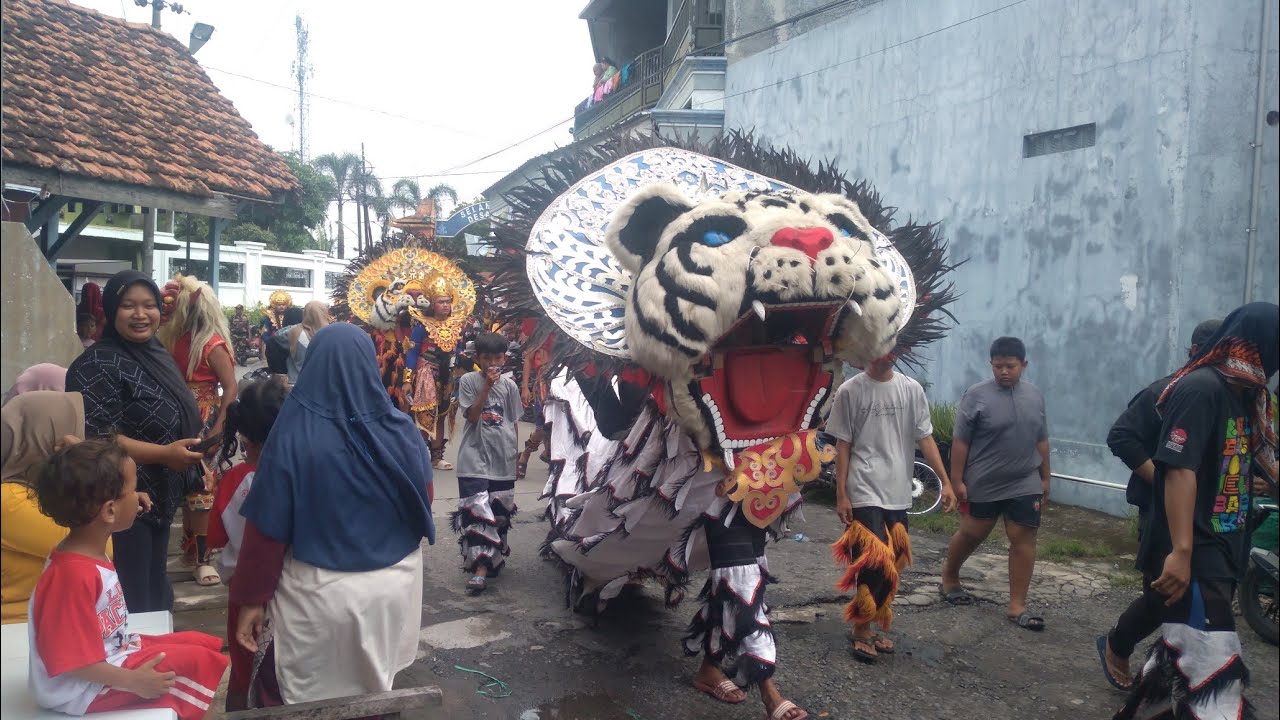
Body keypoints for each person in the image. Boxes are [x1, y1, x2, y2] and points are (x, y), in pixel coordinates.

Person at [230, 323, 434, 706]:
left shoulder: (292, 435)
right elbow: (424, 499)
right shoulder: (402, 429)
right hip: (392, 588)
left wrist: (251, 599)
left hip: (318, 593)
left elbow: (267, 532)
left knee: (299, 695)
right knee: (372, 685)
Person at [1114, 302, 1277, 719]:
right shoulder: (1201, 388)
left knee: (1180, 658)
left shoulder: (1247, 395)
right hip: (1195, 547)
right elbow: (1180, 470)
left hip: (1222, 544)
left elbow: (1235, 459)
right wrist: (1182, 551)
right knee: (1213, 670)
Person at [27, 438, 226, 718]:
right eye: (133, 490)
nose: (139, 496)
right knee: (194, 660)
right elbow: (69, 660)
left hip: (111, 654)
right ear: (109, 511)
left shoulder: (87, 548)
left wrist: (131, 500)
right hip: (80, 690)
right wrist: (134, 682)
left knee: (197, 641)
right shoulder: (70, 578)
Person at [66, 270, 205, 612]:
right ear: (112, 310)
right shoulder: (96, 363)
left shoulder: (155, 351)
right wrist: (163, 454)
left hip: (160, 495)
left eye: (149, 306)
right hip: (117, 502)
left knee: (156, 590)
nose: (141, 315)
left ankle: (152, 653)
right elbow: (98, 437)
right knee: (133, 598)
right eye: (129, 306)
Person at [1097, 318, 1221, 689]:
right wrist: (1163, 479)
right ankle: (1118, 643)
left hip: (1212, 511)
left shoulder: (1229, 395)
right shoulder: (1169, 391)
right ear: (1195, 352)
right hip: (1163, 510)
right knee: (1164, 589)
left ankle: (1178, 670)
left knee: (1206, 592)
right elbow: (1121, 435)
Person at [827, 353, 956, 663]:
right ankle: (861, 628)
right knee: (872, 559)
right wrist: (842, 493)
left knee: (893, 561)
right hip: (864, 487)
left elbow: (925, 438)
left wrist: (946, 481)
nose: (884, 355)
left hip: (897, 489)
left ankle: (872, 623)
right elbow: (842, 445)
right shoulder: (850, 391)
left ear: (897, 351)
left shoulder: (911, 389)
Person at [939, 336, 1051, 631]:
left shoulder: (1035, 396)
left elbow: (1041, 439)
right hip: (984, 479)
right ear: (991, 364)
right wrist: (957, 480)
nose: (1003, 371)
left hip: (1024, 479)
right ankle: (950, 577)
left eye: (1010, 366)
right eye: (998, 366)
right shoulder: (976, 395)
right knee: (973, 532)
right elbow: (960, 442)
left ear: (1023, 365)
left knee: (1023, 537)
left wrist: (1045, 477)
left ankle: (1017, 607)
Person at [207, 378, 288, 711]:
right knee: (280, 671)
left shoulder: (235, 479)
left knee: (244, 670)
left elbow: (215, 538)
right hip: (288, 590)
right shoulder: (298, 472)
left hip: (243, 593)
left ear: (245, 437)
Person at [158, 275, 238, 587]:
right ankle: (190, 554)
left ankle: (202, 558)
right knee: (184, 488)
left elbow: (230, 387)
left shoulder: (211, 344)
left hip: (204, 419)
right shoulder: (167, 338)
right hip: (173, 417)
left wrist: (218, 428)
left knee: (201, 489)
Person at [1, 391, 107, 624]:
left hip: (48, 621)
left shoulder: (39, 491)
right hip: (18, 632)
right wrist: (88, 465)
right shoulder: (9, 501)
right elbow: (101, 546)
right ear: (49, 438)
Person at [453, 331, 520, 593]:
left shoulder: (511, 386)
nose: (493, 362)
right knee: (478, 510)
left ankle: (493, 558)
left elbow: (513, 422)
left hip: (502, 456)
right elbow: (471, 416)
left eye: (498, 357)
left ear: (505, 358)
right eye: (487, 357)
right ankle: (480, 567)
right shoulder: (468, 380)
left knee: (499, 513)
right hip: (474, 455)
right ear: (477, 358)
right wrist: (487, 387)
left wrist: (515, 456)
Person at [280, 301, 330, 385]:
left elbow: (276, 336)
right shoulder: (331, 333)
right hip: (321, 382)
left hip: (296, 381)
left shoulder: (294, 331)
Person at [258, 290, 293, 363]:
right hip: (274, 346)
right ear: (274, 305)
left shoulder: (292, 315)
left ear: (287, 305)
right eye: (279, 304)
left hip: (289, 347)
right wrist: (271, 343)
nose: (281, 307)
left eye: (283, 304)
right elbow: (265, 333)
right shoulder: (270, 317)